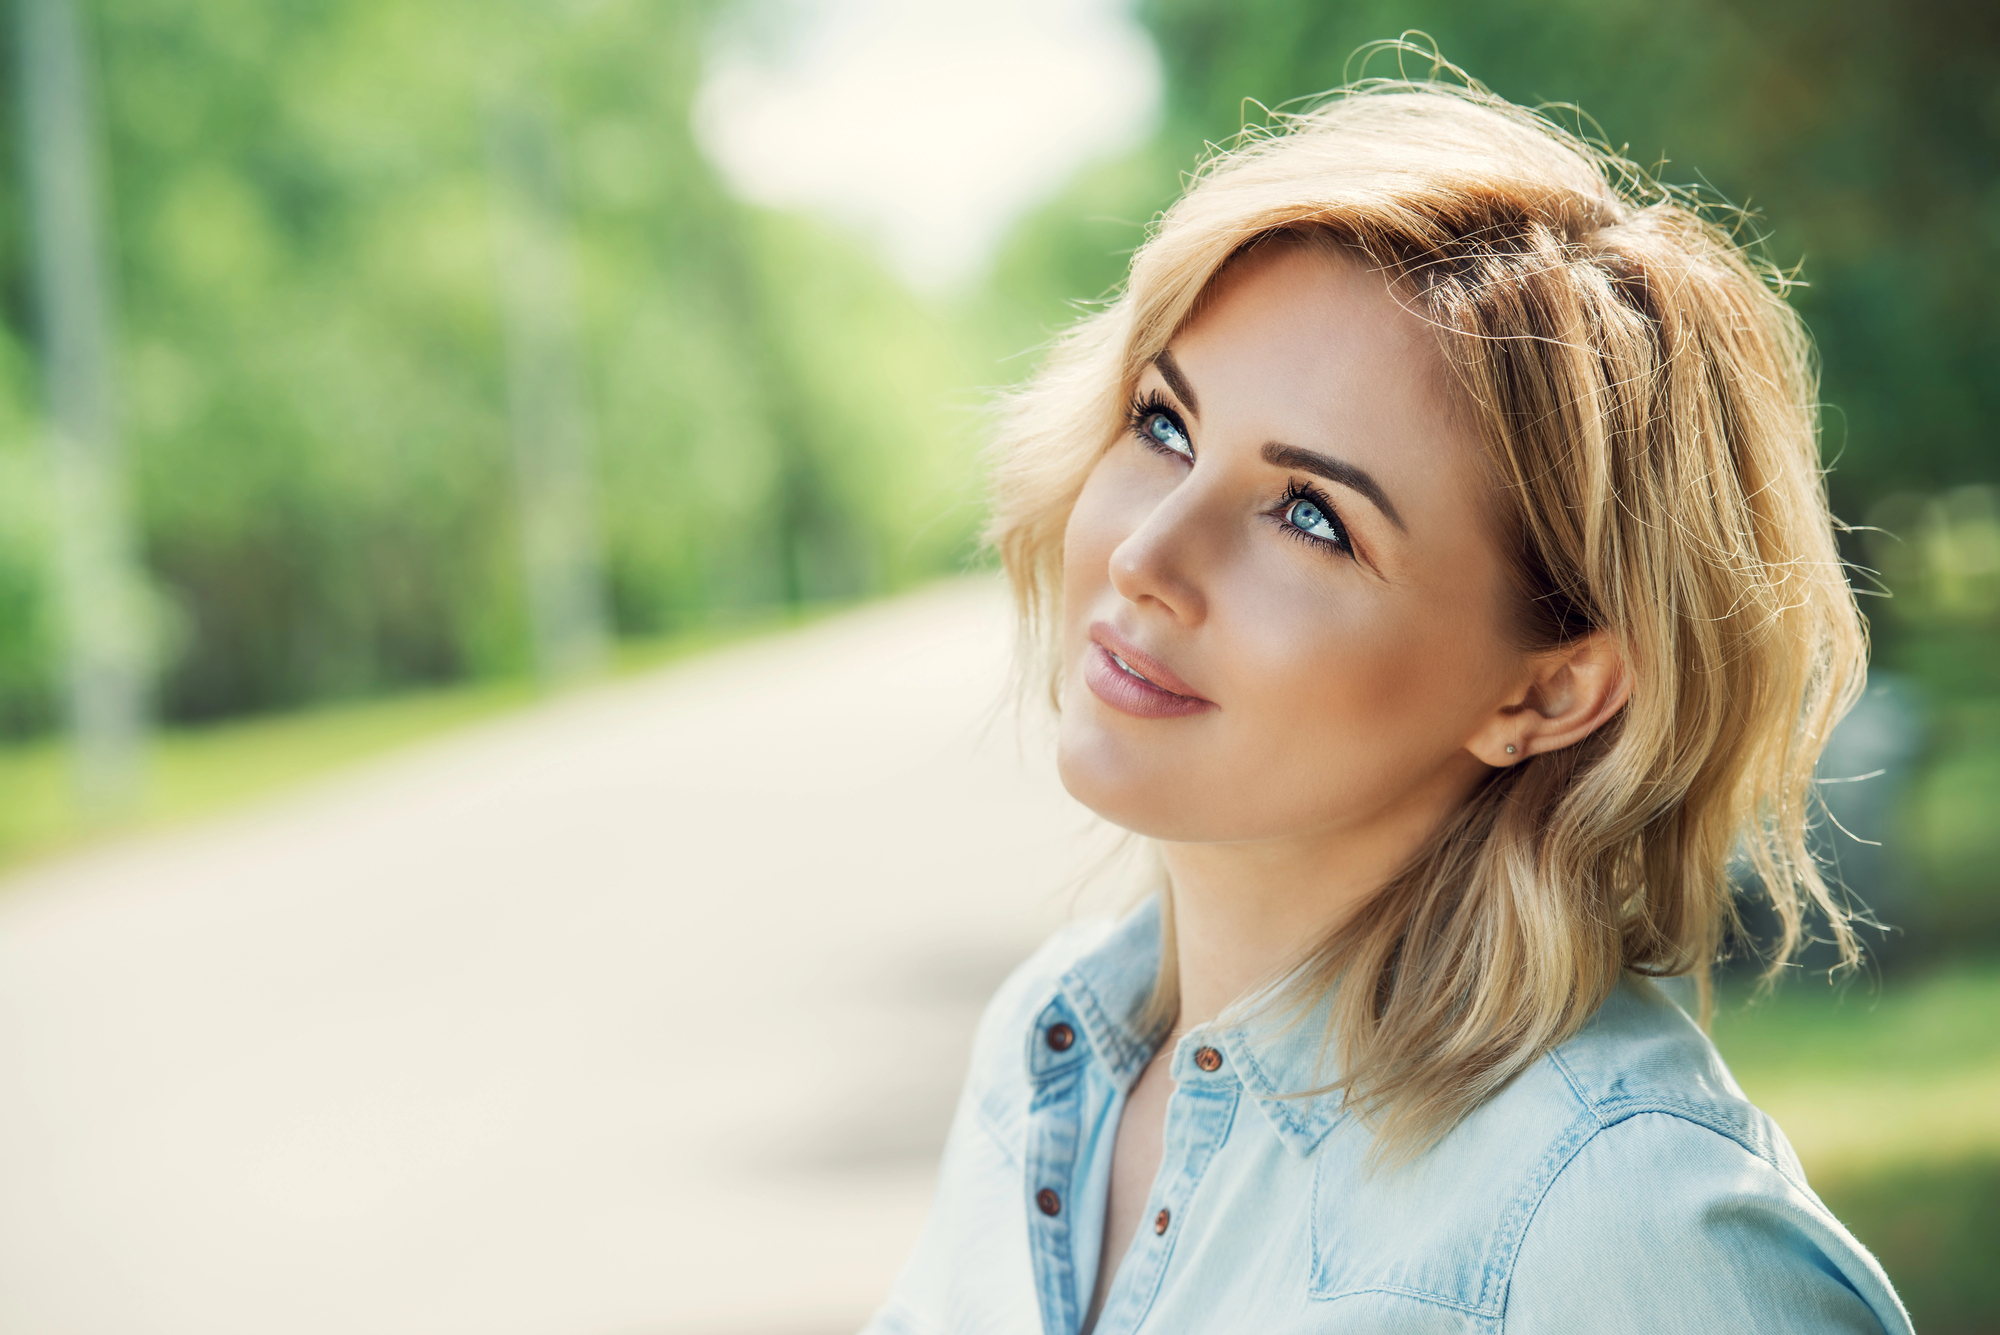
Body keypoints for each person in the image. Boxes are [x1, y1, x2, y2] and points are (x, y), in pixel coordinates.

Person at [864, 66, 1912, 1335]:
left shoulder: (1628, 1228)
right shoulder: (1046, 1045)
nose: (1146, 558)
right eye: (1163, 425)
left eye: (1311, 517)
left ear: (1551, 686)